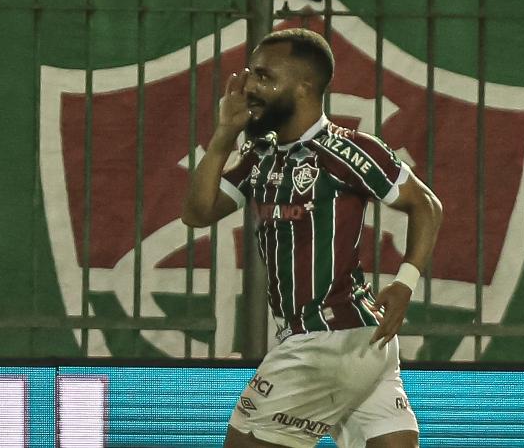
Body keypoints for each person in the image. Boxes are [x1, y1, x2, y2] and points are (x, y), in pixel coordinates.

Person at [181, 28, 443, 447]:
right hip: (363, 345)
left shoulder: (349, 150)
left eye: (265, 77)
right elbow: (197, 213)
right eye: (250, 74)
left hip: (322, 341)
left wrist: (405, 283)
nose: (250, 86)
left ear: (303, 87)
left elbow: (426, 205)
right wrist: (222, 137)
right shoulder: (258, 157)